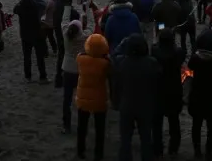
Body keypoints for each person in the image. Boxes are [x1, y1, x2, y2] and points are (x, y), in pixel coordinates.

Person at [112, 33, 161, 161]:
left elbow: (116, 85)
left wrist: (116, 102)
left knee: (125, 139)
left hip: (127, 104)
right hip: (145, 105)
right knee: (146, 138)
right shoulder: (152, 63)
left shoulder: (122, 63)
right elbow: (157, 85)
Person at [187, 31, 212, 160]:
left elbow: (190, 66)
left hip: (198, 94)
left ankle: (197, 150)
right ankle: (209, 150)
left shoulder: (196, 58)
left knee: (196, 125)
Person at [150, 28, 186, 157]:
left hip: (158, 89)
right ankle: (174, 147)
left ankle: (157, 148)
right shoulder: (178, 52)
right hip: (174, 89)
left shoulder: (154, 51)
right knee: (174, 120)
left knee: (157, 122)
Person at [75, 33, 111, 161]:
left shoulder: (80, 59)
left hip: (82, 97)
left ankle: (80, 150)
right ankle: (98, 154)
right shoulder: (105, 63)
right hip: (99, 99)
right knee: (100, 129)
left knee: (82, 126)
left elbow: (81, 54)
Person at [62, 9, 92, 133]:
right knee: (82, 98)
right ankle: (82, 123)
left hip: (68, 69)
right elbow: (91, 25)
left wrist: (67, 7)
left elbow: (64, 21)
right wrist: (87, 10)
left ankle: (66, 125)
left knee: (67, 98)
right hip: (80, 70)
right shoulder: (85, 37)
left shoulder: (66, 35)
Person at [13, 0, 48, 83]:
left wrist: (20, 2)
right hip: (36, 34)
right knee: (40, 57)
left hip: (25, 35)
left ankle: (28, 77)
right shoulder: (35, 5)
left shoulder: (20, 7)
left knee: (27, 57)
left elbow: (14, 9)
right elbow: (44, 5)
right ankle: (43, 77)